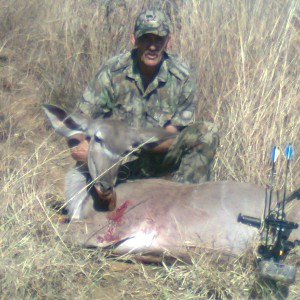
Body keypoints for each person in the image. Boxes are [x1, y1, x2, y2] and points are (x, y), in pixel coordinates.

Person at [70, 10, 219, 197]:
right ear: (134, 39)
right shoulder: (113, 70)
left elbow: (172, 136)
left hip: (157, 158)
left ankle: (188, 199)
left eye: (158, 39)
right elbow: (80, 117)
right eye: (146, 38)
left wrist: (132, 141)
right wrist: (82, 147)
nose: (152, 46)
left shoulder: (181, 77)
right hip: (114, 160)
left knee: (207, 132)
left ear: (168, 41)